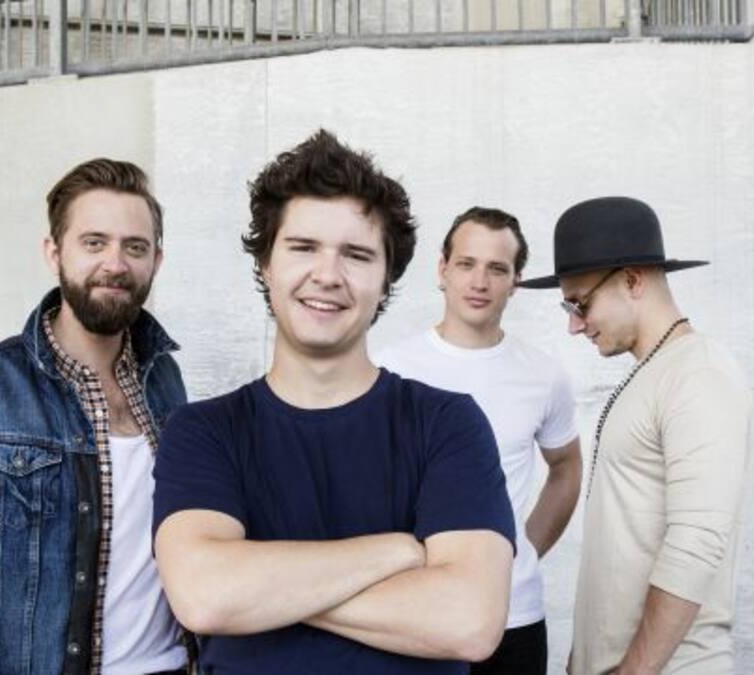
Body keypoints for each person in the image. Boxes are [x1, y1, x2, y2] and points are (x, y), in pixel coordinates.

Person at [152, 130, 516, 675]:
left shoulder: (447, 423)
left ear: (386, 278)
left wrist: (265, 593)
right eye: (303, 248)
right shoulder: (203, 430)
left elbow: (469, 620)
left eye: (356, 255)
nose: (326, 275)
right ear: (266, 265)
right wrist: (397, 552)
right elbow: (205, 596)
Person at [0, 159, 191, 675]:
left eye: (135, 247)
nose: (115, 264)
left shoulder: (165, 380)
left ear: (157, 260)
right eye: (94, 242)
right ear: (54, 253)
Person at [519, 197, 751, 675]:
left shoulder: (699, 373)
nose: (573, 324)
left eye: (580, 303)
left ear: (631, 281)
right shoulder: (658, 371)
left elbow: (696, 543)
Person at [376, 206, 582, 675]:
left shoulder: (543, 375)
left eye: (497, 269)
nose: (479, 282)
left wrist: (519, 548)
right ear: (443, 269)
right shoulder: (390, 369)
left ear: (516, 281)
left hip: (514, 617)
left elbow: (566, 467)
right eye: (466, 264)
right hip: (414, 613)